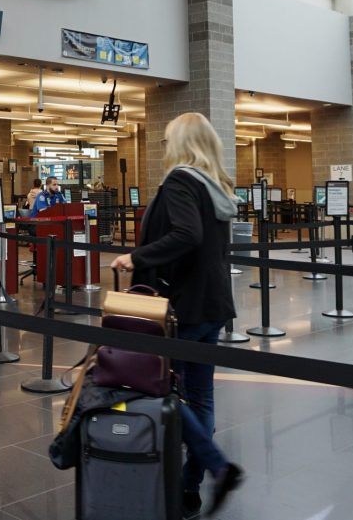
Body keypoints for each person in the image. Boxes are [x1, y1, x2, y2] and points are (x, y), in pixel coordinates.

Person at [110, 113, 243, 517]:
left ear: (181, 143)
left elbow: (187, 235)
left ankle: (217, 467)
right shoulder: (216, 185)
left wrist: (136, 256)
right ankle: (189, 484)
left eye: (168, 139)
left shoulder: (182, 180)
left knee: (162, 388)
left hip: (183, 307)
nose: (164, 146)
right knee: (200, 395)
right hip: (214, 304)